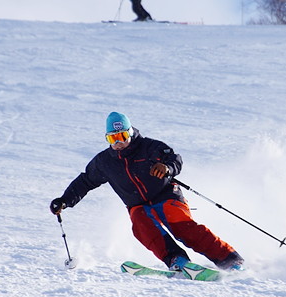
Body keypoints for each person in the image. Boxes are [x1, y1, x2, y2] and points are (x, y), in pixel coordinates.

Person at [50, 112, 244, 273]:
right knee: (142, 227)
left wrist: (166, 168)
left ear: (130, 133)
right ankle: (177, 260)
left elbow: (174, 159)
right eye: (112, 138)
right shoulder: (104, 162)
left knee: (181, 226)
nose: (118, 143)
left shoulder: (149, 147)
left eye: (122, 136)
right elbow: (85, 181)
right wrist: (65, 200)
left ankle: (229, 259)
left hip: (166, 195)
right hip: (138, 205)